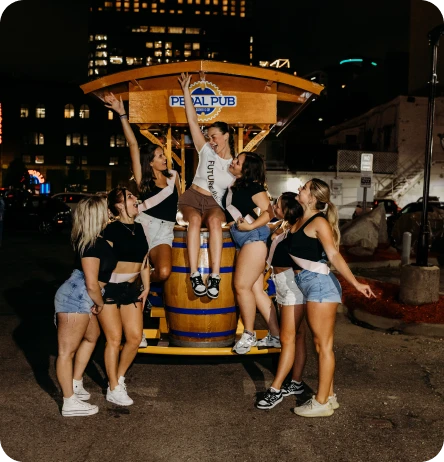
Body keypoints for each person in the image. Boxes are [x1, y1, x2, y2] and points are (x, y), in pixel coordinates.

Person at [290, 178, 375, 417]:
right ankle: (329, 395)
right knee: (319, 345)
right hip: (308, 284)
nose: (300, 189)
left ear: (314, 197)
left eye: (304, 188)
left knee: (324, 345)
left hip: (319, 286)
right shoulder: (301, 219)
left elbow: (334, 256)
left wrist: (356, 283)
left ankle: (321, 402)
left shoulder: (319, 222)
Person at [104, 93, 181, 284]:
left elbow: (180, 204)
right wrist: (122, 114)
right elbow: (133, 143)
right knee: (130, 268)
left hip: (165, 231)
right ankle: (130, 288)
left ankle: (138, 285)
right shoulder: (143, 181)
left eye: (163, 155)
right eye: (159, 156)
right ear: (150, 162)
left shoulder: (174, 177)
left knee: (163, 272)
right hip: (145, 226)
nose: (164, 159)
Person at [55, 195, 117, 417]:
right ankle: (69, 401)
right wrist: (99, 304)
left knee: (92, 337)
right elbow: (91, 284)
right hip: (77, 296)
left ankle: (76, 382)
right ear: (96, 214)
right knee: (66, 351)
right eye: (105, 210)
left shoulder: (96, 240)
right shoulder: (90, 244)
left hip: (84, 296)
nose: (109, 213)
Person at [177, 73, 235, 299]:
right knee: (192, 220)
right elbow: (192, 122)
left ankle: (215, 276)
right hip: (192, 198)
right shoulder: (206, 150)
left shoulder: (235, 164)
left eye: (214, 136)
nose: (211, 140)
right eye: (209, 136)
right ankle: (194, 274)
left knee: (213, 222)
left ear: (226, 136)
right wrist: (186, 92)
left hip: (214, 204)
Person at [223, 152, 279, 355]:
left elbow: (270, 211)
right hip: (246, 240)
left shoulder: (254, 187)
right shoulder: (236, 186)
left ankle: (249, 333)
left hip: (253, 238)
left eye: (238, 161)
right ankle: (276, 335)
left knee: (241, 286)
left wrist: (251, 226)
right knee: (256, 290)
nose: (233, 162)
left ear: (247, 169)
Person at [256, 192, 308, 409]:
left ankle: (275, 389)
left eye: (277, 204)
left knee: (290, 339)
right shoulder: (282, 227)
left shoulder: (298, 231)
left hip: (294, 288)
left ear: (287, 209)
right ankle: (295, 382)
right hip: (284, 287)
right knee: (297, 336)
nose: (273, 206)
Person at [98, 187, 150, 406]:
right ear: (119, 205)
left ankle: (118, 379)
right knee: (114, 339)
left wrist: (145, 287)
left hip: (131, 289)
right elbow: (101, 264)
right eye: (129, 197)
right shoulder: (110, 231)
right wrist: (96, 293)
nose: (135, 199)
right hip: (110, 288)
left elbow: (145, 260)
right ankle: (113, 387)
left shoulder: (139, 228)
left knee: (135, 337)